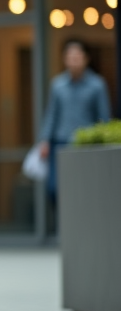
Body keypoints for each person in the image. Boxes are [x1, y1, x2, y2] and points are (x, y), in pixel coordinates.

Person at [38, 38, 111, 204]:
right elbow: (52, 114)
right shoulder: (58, 85)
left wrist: (103, 142)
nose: (74, 60)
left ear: (86, 58)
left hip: (85, 144)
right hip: (60, 142)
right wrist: (44, 140)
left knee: (83, 188)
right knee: (54, 187)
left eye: (77, 56)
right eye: (70, 56)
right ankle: (61, 227)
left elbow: (103, 117)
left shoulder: (97, 85)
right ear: (64, 59)